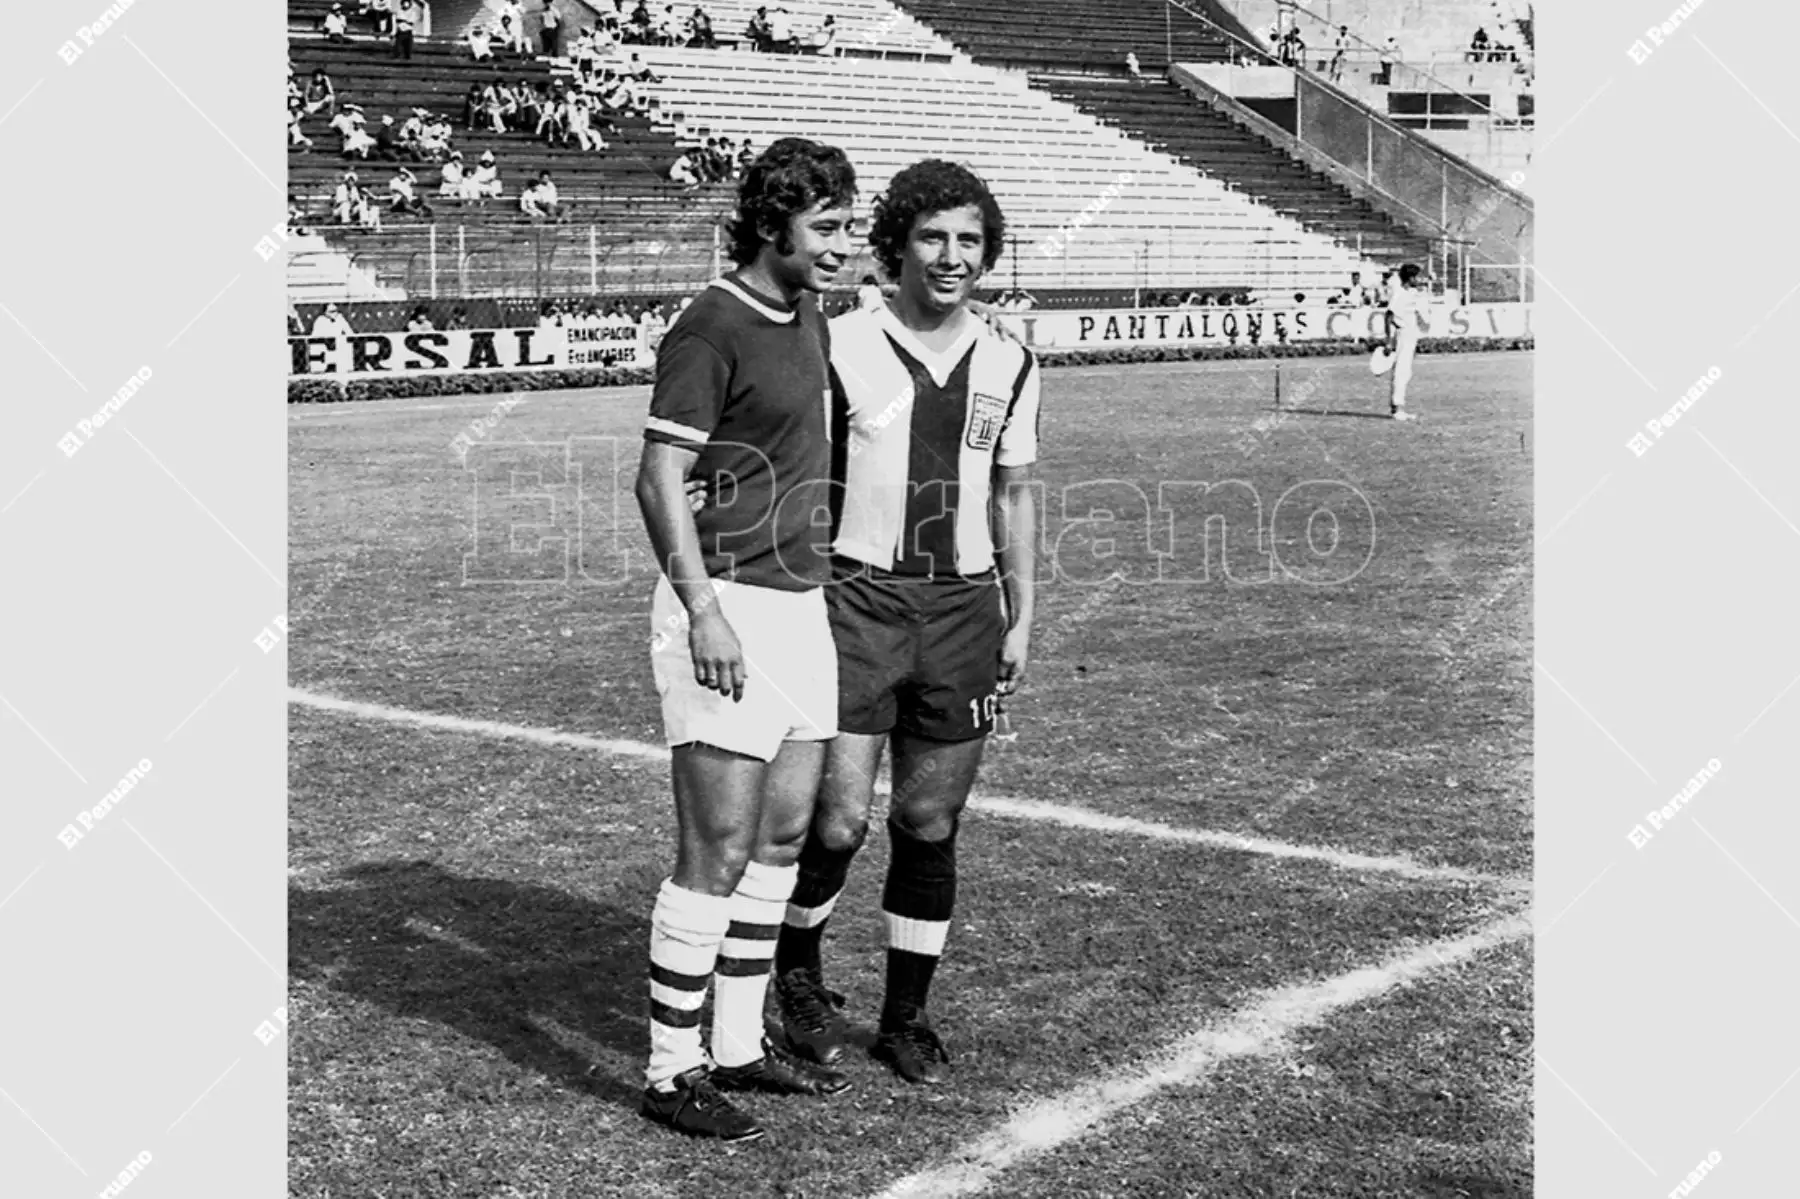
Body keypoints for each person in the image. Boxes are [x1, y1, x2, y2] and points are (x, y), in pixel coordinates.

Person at [773, 158, 1040, 1088]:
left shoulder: (1011, 359)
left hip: (965, 608)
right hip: (857, 600)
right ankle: (796, 978)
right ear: (896, 246)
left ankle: (905, 1016)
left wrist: (1021, 613)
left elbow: (1012, 494)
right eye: (933, 236)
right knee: (839, 818)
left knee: (929, 818)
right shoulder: (838, 341)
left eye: (970, 239)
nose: (952, 255)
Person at [634, 136, 860, 1142]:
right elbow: (655, 480)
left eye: (848, 224)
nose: (842, 244)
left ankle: (734, 1042)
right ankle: (668, 1066)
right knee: (715, 850)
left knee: (779, 837)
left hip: (801, 605)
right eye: (827, 227)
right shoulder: (709, 326)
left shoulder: (808, 309)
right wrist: (706, 611)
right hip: (723, 604)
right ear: (772, 224)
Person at [1383, 262, 1425, 420]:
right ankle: (1396, 408)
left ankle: (1399, 407)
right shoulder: (1399, 294)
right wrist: (1388, 340)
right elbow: (1388, 316)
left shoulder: (1408, 293)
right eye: (1417, 277)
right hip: (1403, 336)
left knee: (1405, 372)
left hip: (1409, 336)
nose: (1418, 280)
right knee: (1401, 371)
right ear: (1411, 277)